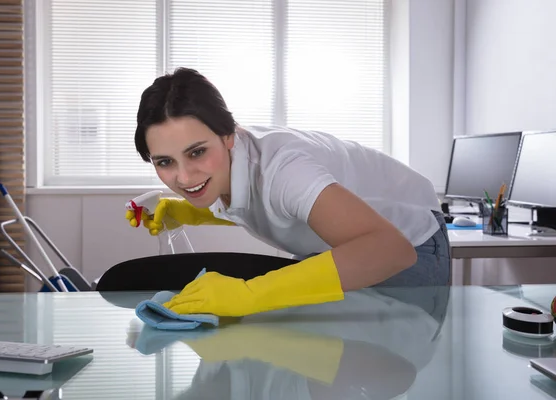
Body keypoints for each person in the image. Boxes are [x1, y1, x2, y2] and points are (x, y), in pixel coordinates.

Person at [126, 67, 451, 317]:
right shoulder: (231, 162)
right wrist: (191, 213)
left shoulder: (284, 169)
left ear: (227, 135)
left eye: (196, 152)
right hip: (332, 243)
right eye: (165, 161)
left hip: (411, 238)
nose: (183, 177)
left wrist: (249, 294)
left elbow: (391, 251)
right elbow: (271, 208)